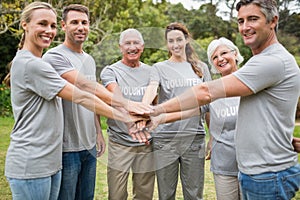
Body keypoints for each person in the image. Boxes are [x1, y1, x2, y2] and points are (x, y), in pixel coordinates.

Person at [149, 0, 300, 199]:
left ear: (273, 21)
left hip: (267, 175)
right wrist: (159, 119)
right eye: (240, 21)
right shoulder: (258, 64)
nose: (245, 27)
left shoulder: (271, 61)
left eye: (252, 19)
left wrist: (154, 110)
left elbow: (204, 91)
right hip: (254, 171)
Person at [4, 2, 147, 200]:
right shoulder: (44, 61)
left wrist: (98, 131)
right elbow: (83, 92)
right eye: (43, 24)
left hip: (58, 155)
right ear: (25, 25)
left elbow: (91, 96)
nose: (48, 30)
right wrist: (127, 110)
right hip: (45, 156)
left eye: (51, 26)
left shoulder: (84, 59)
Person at [141, 22, 211, 200]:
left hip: (194, 137)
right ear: (166, 43)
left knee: (194, 194)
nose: (175, 45)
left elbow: (208, 105)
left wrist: (213, 137)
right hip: (165, 139)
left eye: (179, 40)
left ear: (186, 40)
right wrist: (142, 109)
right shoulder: (159, 68)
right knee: (166, 194)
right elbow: (151, 89)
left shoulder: (201, 68)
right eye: (171, 41)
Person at [42, 4, 103, 199]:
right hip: (67, 148)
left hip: (89, 146)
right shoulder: (54, 56)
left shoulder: (89, 59)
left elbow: (92, 99)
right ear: (63, 25)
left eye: (84, 23)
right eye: (74, 22)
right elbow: (84, 88)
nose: (80, 27)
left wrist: (98, 132)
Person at [100, 28, 155, 200]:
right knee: (116, 194)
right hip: (120, 142)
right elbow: (117, 99)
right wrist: (132, 122)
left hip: (146, 142)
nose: (132, 47)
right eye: (127, 43)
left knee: (144, 193)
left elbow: (153, 101)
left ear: (143, 46)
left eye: (136, 42)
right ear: (120, 47)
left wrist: (143, 124)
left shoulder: (152, 71)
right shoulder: (110, 71)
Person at [204, 37, 244, 200]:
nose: (220, 59)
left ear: (235, 54)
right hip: (223, 164)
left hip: (253, 163)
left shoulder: (251, 82)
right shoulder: (211, 90)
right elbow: (202, 112)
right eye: (214, 57)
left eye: (224, 53)